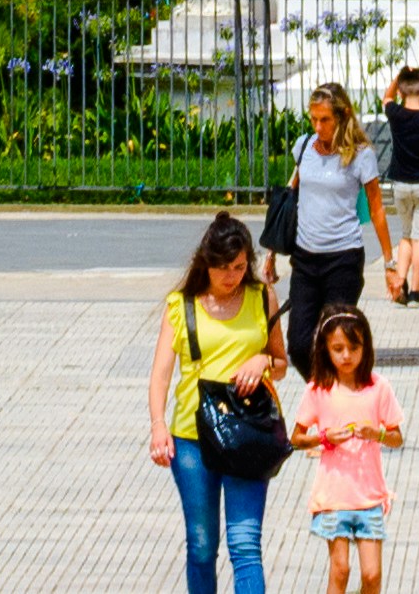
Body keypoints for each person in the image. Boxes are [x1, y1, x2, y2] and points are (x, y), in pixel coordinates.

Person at [148, 208, 282, 594]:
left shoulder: (261, 297)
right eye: (223, 267)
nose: (231, 276)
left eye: (239, 267)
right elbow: (160, 374)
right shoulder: (181, 305)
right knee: (202, 545)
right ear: (206, 263)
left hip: (247, 434)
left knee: (245, 545)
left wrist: (262, 361)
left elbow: (282, 361)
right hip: (191, 438)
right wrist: (159, 426)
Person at [284, 305, 403, 594]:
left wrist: (377, 433)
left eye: (353, 347)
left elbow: (397, 437)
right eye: (338, 348)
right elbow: (296, 437)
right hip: (333, 497)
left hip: (370, 496)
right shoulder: (318, 389)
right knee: (340, 569)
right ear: (325, 350)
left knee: (372, 575)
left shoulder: (378, 387)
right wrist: (324, 438)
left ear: (366, 347)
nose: (346, 355)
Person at [283, 83, 376, 342]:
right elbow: (291, 198)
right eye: (313, 119)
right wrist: (271, 252)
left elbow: (376, 206)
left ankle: (335, 382)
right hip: (305, 258)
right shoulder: (304, 146)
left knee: (335, 338)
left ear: (342, 115)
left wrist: (390, 264)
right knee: (300, 344)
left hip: (343, 258)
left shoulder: (361, 155)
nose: (318, 127)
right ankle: (323, 384)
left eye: (324, 120)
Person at [372, 68, 419, 307]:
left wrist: (398, 77)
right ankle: (415, 293)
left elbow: (386, 98)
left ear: (403, 92)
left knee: (406, 236)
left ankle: (400, 283)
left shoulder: (395, 113)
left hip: (401, 185)